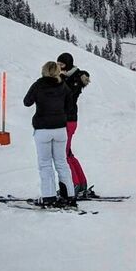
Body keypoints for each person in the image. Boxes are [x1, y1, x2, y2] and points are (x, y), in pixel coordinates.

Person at [23, 60, 76, 206]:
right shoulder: (63, 86)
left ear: (44, 71)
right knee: (61, 162)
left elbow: (27, 102)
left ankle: (49, 196)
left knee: (45, 164)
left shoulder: (38, 84)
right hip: (60, 129)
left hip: (43, 129)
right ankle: (69, 195)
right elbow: (70, 106)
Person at [56, 52, 92, 198]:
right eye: (58, 64)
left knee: (64, 154)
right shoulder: (69, 77)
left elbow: (69, 96)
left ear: (68, 64)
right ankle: (81, 183)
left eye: (62, 64)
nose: (59, 67)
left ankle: (74, 184)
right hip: (67, 119)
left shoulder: (74, 79)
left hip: (68, 119)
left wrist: (62, 79)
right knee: (68, 153)